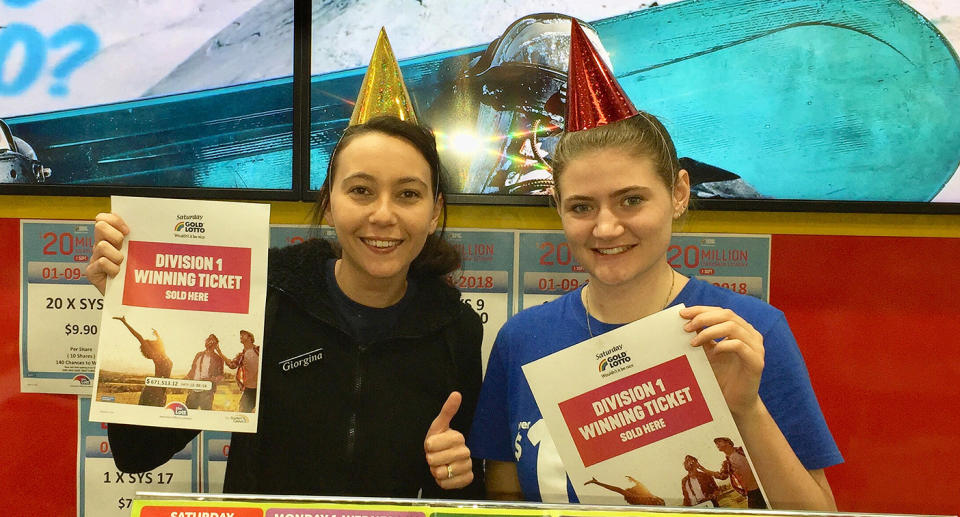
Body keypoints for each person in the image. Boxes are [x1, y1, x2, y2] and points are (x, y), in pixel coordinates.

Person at [467, 21, 841, 510]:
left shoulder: (747, 334)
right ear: (557, 206)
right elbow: (505, 494)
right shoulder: (522, 341)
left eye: (630, 200)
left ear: (679, 193)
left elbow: (820, 513)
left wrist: (745, 410)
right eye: (581, 206)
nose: (605, 228)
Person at [86, 115, 484, 497]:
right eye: (361, 190)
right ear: (329, 204)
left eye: (408, 194)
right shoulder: (264, 302)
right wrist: (137, 307)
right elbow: (137, 452)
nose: (383, 215)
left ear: (434, 212)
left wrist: (456, 475)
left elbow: (457, 486)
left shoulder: (456, 329)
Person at [111, 315, 172, 407]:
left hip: (159, 391)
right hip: (154, 390)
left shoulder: (162, 352)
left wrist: (158, 335)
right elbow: (138, 337)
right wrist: (124, 322)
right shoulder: (156, 356)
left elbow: (160, 342)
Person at [699, 437, 764, 508]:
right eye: (716, 443)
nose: (717, 444)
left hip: (764, 484)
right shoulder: (727, 463)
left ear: (728, 442)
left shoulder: (742, 450)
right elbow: (721, 476)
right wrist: (703, 469)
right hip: (752, 492)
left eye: (719, 441)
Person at [218, 330, 259, 413]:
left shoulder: (259, 349)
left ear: (250, 338)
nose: (241, 336)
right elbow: (231, 365)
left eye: (243, 334)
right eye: (240, 335)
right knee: (243, 411)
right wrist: (219, 352)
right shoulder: (241, 356)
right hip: (250, 389)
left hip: (261, 387)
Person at [184, 334, 224, 410]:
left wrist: (211, 379)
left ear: (216, 344)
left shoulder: (218, 359)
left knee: (205, 415)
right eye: (208, 340)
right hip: (193, 390)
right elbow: (192, 370)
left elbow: (221, 376)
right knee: (189, 413)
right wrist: (185, 379)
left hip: (207, 392)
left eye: (212, 341)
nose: (209, 342)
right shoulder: (198, 355)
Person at [584, 476, 665, 506]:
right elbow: (617, 489)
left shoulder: (646, 494)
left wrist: (635, 480)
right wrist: (597, 483)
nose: (637, 487)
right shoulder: (639, 497)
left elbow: (641, 486)